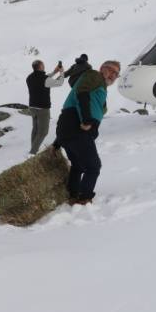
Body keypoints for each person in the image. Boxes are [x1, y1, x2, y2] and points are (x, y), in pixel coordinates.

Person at [55, 60, 121, 205]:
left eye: (116, 73)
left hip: (69, 128)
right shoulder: (94, 76)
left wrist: (58, 141)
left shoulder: (100, 87)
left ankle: (72, 194)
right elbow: (82, 92)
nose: (113, 75)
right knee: (93, 166)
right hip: (78, 127)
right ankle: (84, 199)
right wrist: (86, 120)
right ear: (101, 68)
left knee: (78, 165)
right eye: (110, 70)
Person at [26, 59, 65, 155]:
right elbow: (59, 83)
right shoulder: (44, 80)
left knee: (35, 129)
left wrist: (54, 72)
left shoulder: (29, 78)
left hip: (32, 107)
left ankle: (32, 149)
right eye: (43, 65)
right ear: (40, 67)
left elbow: (43, 78)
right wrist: (61, 72)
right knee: (43, 132)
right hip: (43, 109)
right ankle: (32, 152)